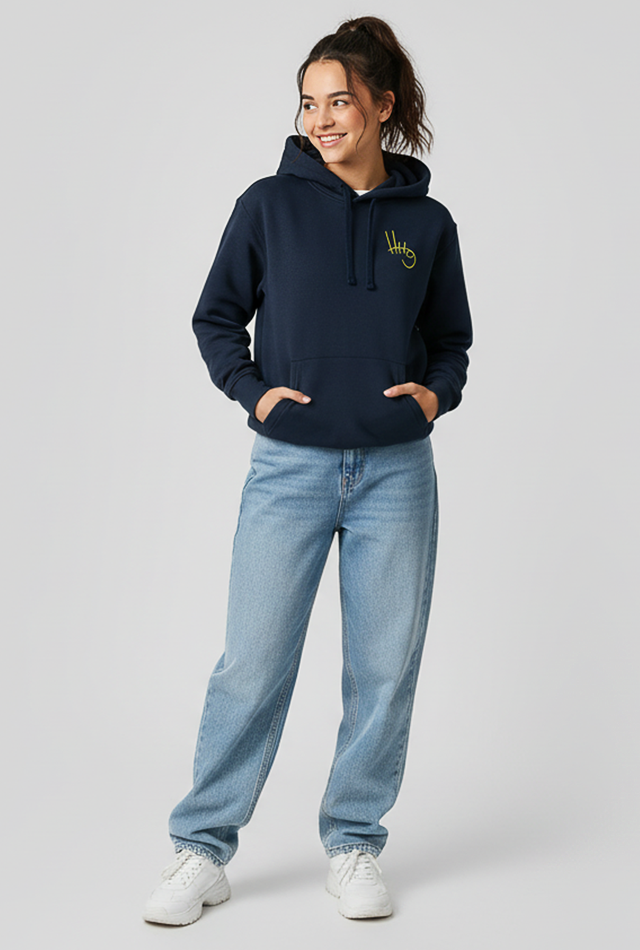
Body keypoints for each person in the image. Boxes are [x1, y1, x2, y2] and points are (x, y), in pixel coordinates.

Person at [143, 15, 472, 925]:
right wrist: (253, 394)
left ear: (382, 106)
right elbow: (216, 317)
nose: (320, 119)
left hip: (397, 473)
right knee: (251, 663)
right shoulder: (267, 205)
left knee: (383, 669)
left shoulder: (427, 223)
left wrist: (435, 396)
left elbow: (452, 340)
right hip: (288, 467)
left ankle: (355, 842)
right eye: (307, 103)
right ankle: (201, 848)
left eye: (339, 101)